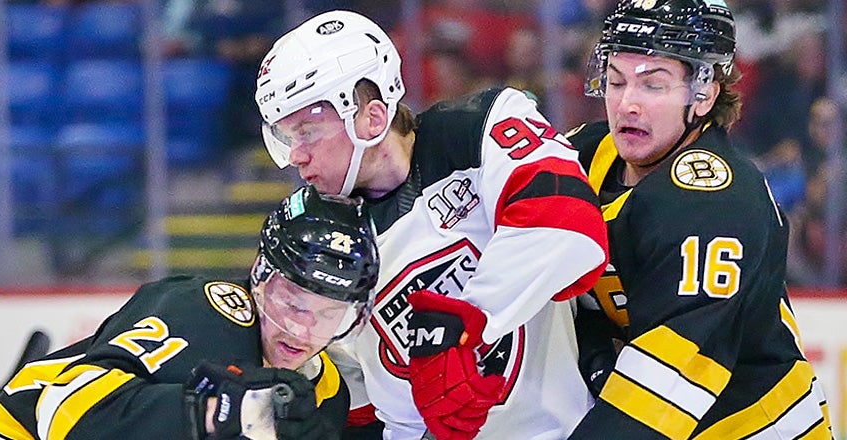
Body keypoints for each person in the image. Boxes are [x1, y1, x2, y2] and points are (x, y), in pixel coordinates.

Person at [254, 10, 609, 440]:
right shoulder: (313, 231)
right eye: (287, 138)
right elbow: (352, 393)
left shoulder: (482, 127)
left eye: (307, 132)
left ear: (370, 117)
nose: (296, 156)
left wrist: (461, 324)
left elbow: (570, 229)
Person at [563, 0, 832, 437]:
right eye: (615, 81)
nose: (626, 103)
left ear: (703, 93)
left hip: (748, 426)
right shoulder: (583, 155)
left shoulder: (717, 204)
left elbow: (663, 388)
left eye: (653, 85)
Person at [0, 185, 379, 440]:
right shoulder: (206, 313)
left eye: (329, 315)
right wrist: (207, 413)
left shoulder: (325, 391)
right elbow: (63, 411)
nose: (302, 330)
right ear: (260, 278)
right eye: (292, 302)